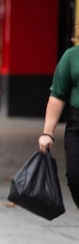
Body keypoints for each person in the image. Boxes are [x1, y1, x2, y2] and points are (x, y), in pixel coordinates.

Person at [38, 42, 79, 209]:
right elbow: (57, 96)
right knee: (75, 178)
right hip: (77, 126)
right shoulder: (71, 56)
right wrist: (47, 133)